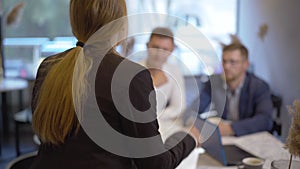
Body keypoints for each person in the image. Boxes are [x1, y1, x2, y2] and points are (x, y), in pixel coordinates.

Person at [30, 0, 200, 169]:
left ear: (74, 20)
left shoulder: (49, 66)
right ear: (121, 25)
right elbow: (155, 165)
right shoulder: (130, 76)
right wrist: (188, 138)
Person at [197, 37, 273, 136]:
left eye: (233, 62)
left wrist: (229, 128)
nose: (227, 66)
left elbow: (265, 120)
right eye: (224, 61)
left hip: (248, 138)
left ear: (246, 65)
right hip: (222, 140)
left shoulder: (259, 86)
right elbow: (195, 108)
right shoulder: (213, 83)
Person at [139, 27, 186, 136]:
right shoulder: (133, 70)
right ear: (147, 46)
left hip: (163, 125)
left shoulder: (174, 71)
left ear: (172, 51)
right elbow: (135, 110)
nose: (159, 54)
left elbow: (179, 107)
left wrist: (158, 116)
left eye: (165, 49)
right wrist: (154, 85)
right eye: (155, 47)